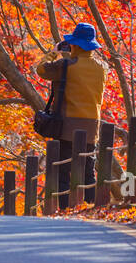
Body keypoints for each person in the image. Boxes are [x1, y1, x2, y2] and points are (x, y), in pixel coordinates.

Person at [36, 23, 107, 209]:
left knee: (63, 170)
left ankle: (64, 209)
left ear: (74, 45)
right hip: (92, 127)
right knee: (88, 172)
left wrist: (55, 52)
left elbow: (41, 70)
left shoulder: (65, 65)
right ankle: (92, 207)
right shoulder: (101, 68)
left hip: (67, 126)